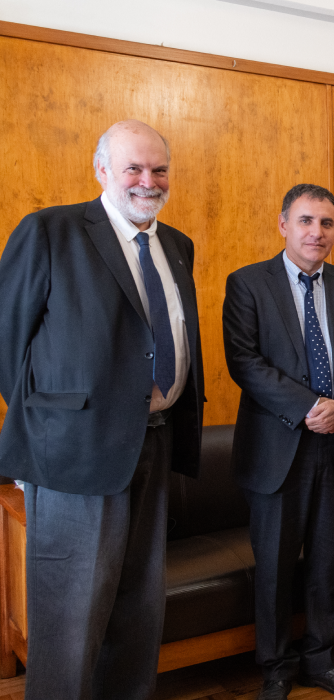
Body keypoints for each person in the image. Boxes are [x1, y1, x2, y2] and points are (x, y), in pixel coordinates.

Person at [0, 120, 204, 700]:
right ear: (102, 172)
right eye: (133, 168)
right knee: (70, 618)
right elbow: (6, 338)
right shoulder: (50, 231)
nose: (148, 180)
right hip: (76, 455)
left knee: (139, 607)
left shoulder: (177, 245)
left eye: (158, 169)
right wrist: (54, 422)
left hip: (156, 440)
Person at [222, 184, 334, 700]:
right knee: (273, 565)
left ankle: (321, 660)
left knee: (326, 563)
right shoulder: (248, 283)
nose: (317, 233)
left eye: (327, 223)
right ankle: (276, 667)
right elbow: (244, 361)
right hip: (277, 448)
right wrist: (309, 407)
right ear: (283, 224)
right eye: (307, 221)